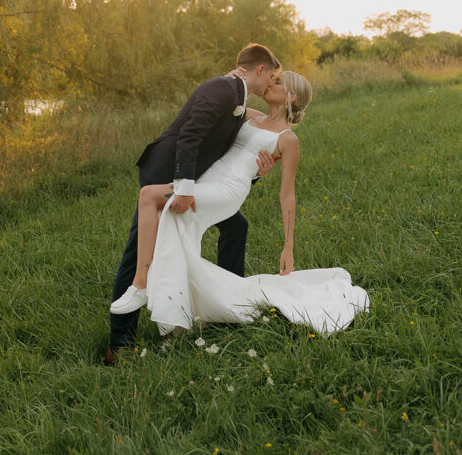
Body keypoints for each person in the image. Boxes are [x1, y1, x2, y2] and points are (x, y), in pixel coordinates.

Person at [111, 70, 370, 337]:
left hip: (228, 190)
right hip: (207, 180)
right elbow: (224, 104)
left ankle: (141, 284)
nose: (271, 83)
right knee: (173, 220)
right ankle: (185, 302)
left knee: (150, 196)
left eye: (278, 82)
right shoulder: (249, 114)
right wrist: (231, 77)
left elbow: (287, 195)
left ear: (291, 96)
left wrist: (288, 245)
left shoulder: (288, 140)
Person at [106, 43, 281, 364]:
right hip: (167, 170)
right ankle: (118, 344)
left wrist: (257, 174)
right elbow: (190, 135)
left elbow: (228, 153)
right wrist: (185, 189)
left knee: (236, 226)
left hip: (193, 177)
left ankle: (230, 304)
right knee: (138, 248)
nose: (271, 82)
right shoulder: (222, 89)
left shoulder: (236, 97)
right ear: (260, 70)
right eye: (272, 75)